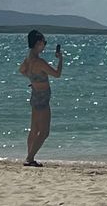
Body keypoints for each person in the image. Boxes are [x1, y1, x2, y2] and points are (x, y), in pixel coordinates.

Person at [18, 29, 62, 167]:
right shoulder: (39, 62)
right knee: (44, 132)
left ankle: (29, 156)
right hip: (42, 98)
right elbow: (57, 74)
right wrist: (60, 59)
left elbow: (22, 70)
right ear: (38, 43)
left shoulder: (28, 60)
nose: (44, 46)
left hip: (35, 95)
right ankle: (30, 158)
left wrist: (34, 80)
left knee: (34, 129)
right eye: (44, 42)